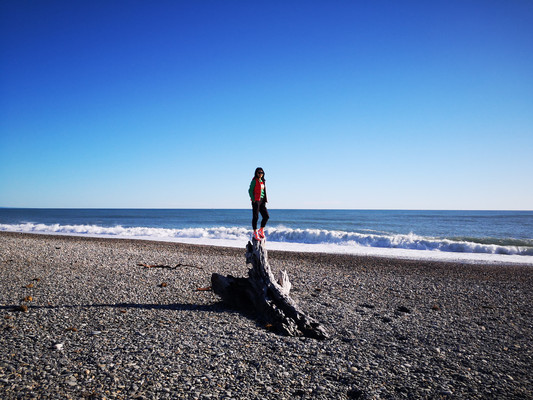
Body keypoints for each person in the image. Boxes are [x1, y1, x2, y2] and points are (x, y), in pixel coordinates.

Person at [248, 167, 269, 241]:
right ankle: (255, 232)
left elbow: (263, 191)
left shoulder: (262, 181)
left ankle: (261, 230)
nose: (261, 174)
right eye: (259, 173)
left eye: (262, 173)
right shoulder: (254, 181)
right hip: (256, 201)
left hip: (262, 201)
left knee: (266, 216)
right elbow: (250, 190)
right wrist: (253, 199)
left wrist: (265, 200)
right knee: (256, 217)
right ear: (256, 173)